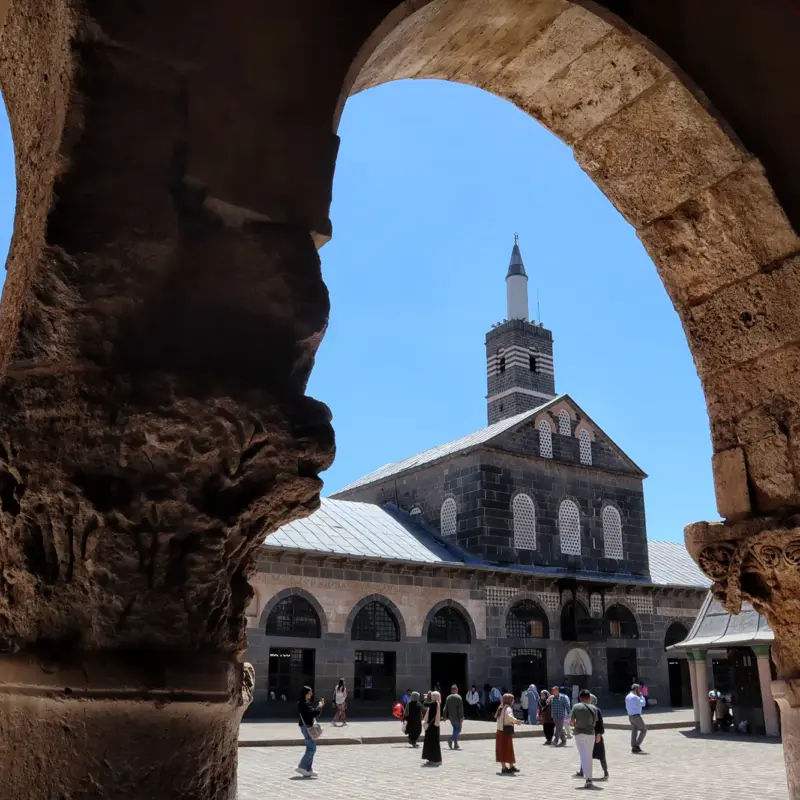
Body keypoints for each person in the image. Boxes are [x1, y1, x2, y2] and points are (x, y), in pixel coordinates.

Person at [570, 689, 599, 789]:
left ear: (580, 697)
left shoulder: (576, 706)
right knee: (589, 755)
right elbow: (595, 723)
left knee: (583, 755)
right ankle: (589, 778)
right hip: (590, 734)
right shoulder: (594, 708)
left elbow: (572, 722)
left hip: (579, 733)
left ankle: (587, 777)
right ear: (589, 698)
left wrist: (577, 724)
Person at [576, 700, 609, 780]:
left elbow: (600, 724)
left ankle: (605, 772)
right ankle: (582, 771)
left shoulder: (596, 710)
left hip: (595, 735)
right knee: (585, 754)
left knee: (600, 754)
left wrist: (599, 734)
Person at [297, 686, 324, 778]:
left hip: (307, 726)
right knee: (311, 748)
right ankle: (302, 767)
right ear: (305, 693)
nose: (311, 694)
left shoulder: (305, 703)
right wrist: (319, 707)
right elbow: (313, 713)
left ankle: (308, 769)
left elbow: (312, 713)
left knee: (312, 747)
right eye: (310, 693)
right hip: (306, 727)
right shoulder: (303, 704)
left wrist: (318, 707)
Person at [495, 692, 521, 774]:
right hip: (506, 732)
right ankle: (511, 766)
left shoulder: (500, 707)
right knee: (508, 749)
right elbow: (509, 717)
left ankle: (504, 767)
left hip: (499, 731)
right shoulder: (508, 708)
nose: (513, 701)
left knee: (501, 749)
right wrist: (516, 721)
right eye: (512, 699)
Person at [422, 690, 443, 766]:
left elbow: (425, 704)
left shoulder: (435, 703)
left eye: (433, 695)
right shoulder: (435, 703)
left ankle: (436, 759)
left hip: (433, 726)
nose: (431, 697)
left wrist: (425, 698)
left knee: (434, 743)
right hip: (431, 726)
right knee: (429, 742)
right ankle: (431, 758)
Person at [626, 683, 647, 753]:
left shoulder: (628, 696)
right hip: (636, 716)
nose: (640, 690)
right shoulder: (635, 697)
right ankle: (636, 745)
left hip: (630, 716)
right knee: (644, 730)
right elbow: (643, 704)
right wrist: (642, 696)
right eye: (639, 689)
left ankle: (633, 747)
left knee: (634, 731)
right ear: (636, 689)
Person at [444, 685, 465, 750]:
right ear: (456, 689)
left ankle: (456, 744)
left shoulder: (448, 697)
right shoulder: (459, 697)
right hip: (457, 717)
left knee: (454, 729)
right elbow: (460, 709)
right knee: (459, 729)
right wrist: (461, 717)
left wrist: (444, 716)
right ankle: (451, 739)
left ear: (451, 690)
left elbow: (445, 708)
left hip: (451, 717)